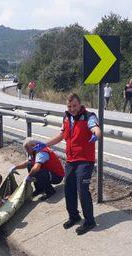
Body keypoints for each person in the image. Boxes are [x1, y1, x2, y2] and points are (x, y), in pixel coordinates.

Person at [41, 92, 101, 235]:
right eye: (69, 106)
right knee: (69, 189)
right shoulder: (66, 118)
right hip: (71, 160)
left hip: (85, 160)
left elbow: (95, 128)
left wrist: (96, 135)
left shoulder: (89, 116)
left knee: (82, 187)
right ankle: (74, 216)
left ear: (79, 104)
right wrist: (44, 144)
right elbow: (61, 135)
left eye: (74, 105)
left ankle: (90, 221)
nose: (72, 108)